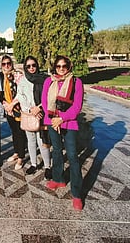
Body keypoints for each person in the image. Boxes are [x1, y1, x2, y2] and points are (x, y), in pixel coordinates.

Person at [42, 55, 84, 211]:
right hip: (52, 121)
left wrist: (62, 118)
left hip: (69, 123)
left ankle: (77, 194)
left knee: (73, 156)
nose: (61, 69)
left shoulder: (76, 82)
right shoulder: (49, 81)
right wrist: (54, 119)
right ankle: (58, 178)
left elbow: (77, 106)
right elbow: (45, 103)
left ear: (69, 67)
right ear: (54, 67)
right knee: (57, 151)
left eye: (64, 66)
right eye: (58, 66)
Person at [14, 56, 51, 179]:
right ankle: (34, 164)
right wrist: (31, 109)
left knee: (43, 141)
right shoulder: (23, 81)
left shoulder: (44, 79)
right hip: (28, 114)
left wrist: (38, 108)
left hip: (41, 113)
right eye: (28, 66)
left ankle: (47, 166)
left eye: (33, 65)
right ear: (25, 67)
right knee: (31, 140)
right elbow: (20, 96)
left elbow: (48, 96)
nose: (31, 68)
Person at [0, 55, 27, 170]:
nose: (6, 66)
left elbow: (21, 93)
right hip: (8, 110)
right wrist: (6, 106)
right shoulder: (2, 77)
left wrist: (12, 105)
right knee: (14, 132)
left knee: (20, 133)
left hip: (18, 109)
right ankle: (16, 152)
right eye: (4, 64)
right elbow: (0, 93)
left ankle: (21, 157)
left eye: (8, 63)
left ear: (12, 64)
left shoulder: (18, 75)